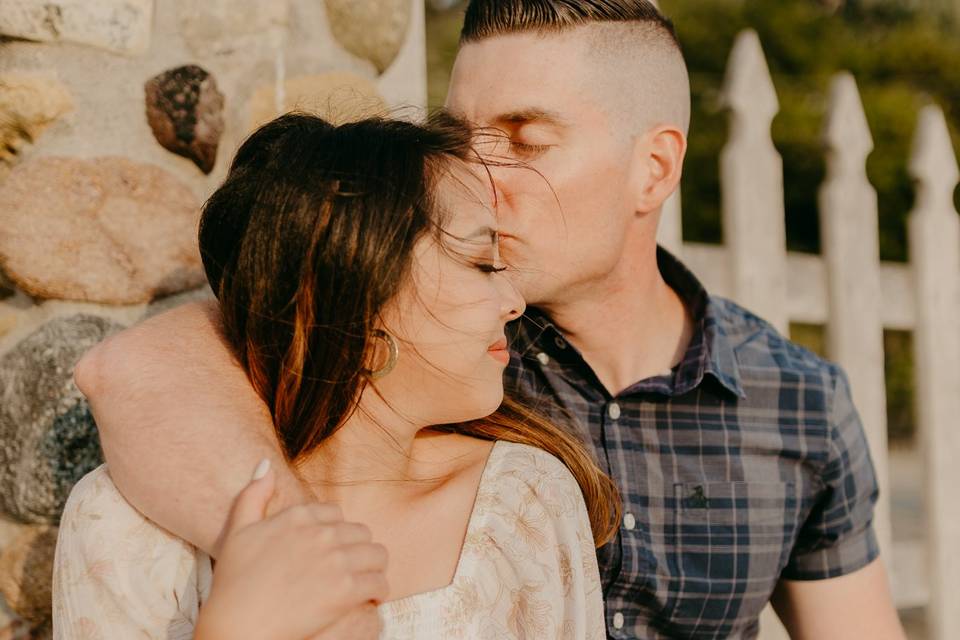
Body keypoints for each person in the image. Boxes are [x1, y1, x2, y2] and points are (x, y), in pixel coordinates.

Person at [72, 1, 907, 638]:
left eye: (524, 138)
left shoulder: (795, 401)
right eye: (460, 133)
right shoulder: (438, 346)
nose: (476, 170)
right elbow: (140, 367)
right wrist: (308, 574)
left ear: (653, 169)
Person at [52, 112, 618, 639]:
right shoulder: (125, 527)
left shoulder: (521, 498)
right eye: (481, 262)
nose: (514, 301)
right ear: (360, 305)